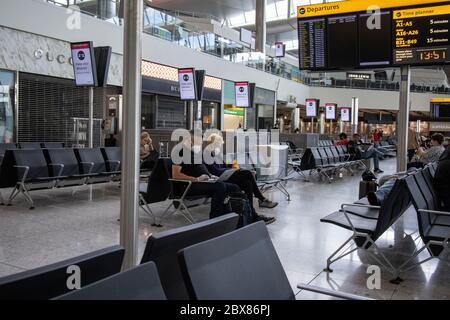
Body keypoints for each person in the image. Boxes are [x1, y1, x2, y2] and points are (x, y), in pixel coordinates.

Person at [204, 133, 277, 224]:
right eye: (219, 142)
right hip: (218, 179)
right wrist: (230, 170)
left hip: (225, 175)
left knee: (248, 184)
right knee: (247, 173)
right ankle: (261, 199)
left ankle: (252, 215)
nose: (221, 144)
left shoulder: (217, 153)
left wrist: (231, 166)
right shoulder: (206, 154)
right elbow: (214, 171)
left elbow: (222, 166)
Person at [172, 135, 240, 219]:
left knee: (234, 187)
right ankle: (215, 217)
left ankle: (232, 213)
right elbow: (175, 175)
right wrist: (197, 179)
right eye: (199, 141)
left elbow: (201, 169)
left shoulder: (194, 154)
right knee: (220, 186)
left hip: (203, 182)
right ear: (190, 140)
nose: (201, 144)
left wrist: (211, 176)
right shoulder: (180, 153)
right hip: (189, 185)